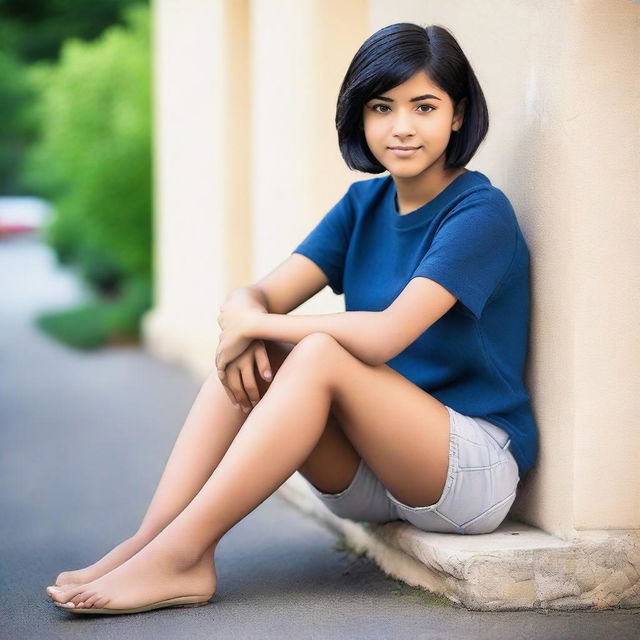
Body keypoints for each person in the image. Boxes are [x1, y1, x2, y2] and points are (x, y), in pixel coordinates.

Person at [47, 22, 537, 615]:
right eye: (382, 107)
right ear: (360, 117)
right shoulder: (364, 206)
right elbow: (254, 296)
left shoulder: (478, 212)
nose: (401, 126)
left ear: (457, 115)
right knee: (268, 351)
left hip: (468, 473)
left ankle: (180, 555)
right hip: (368, 472)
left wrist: (258, 325)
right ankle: (153, 539)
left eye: (424, 107)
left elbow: (384, 334)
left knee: (308, 351)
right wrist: (248, 321)